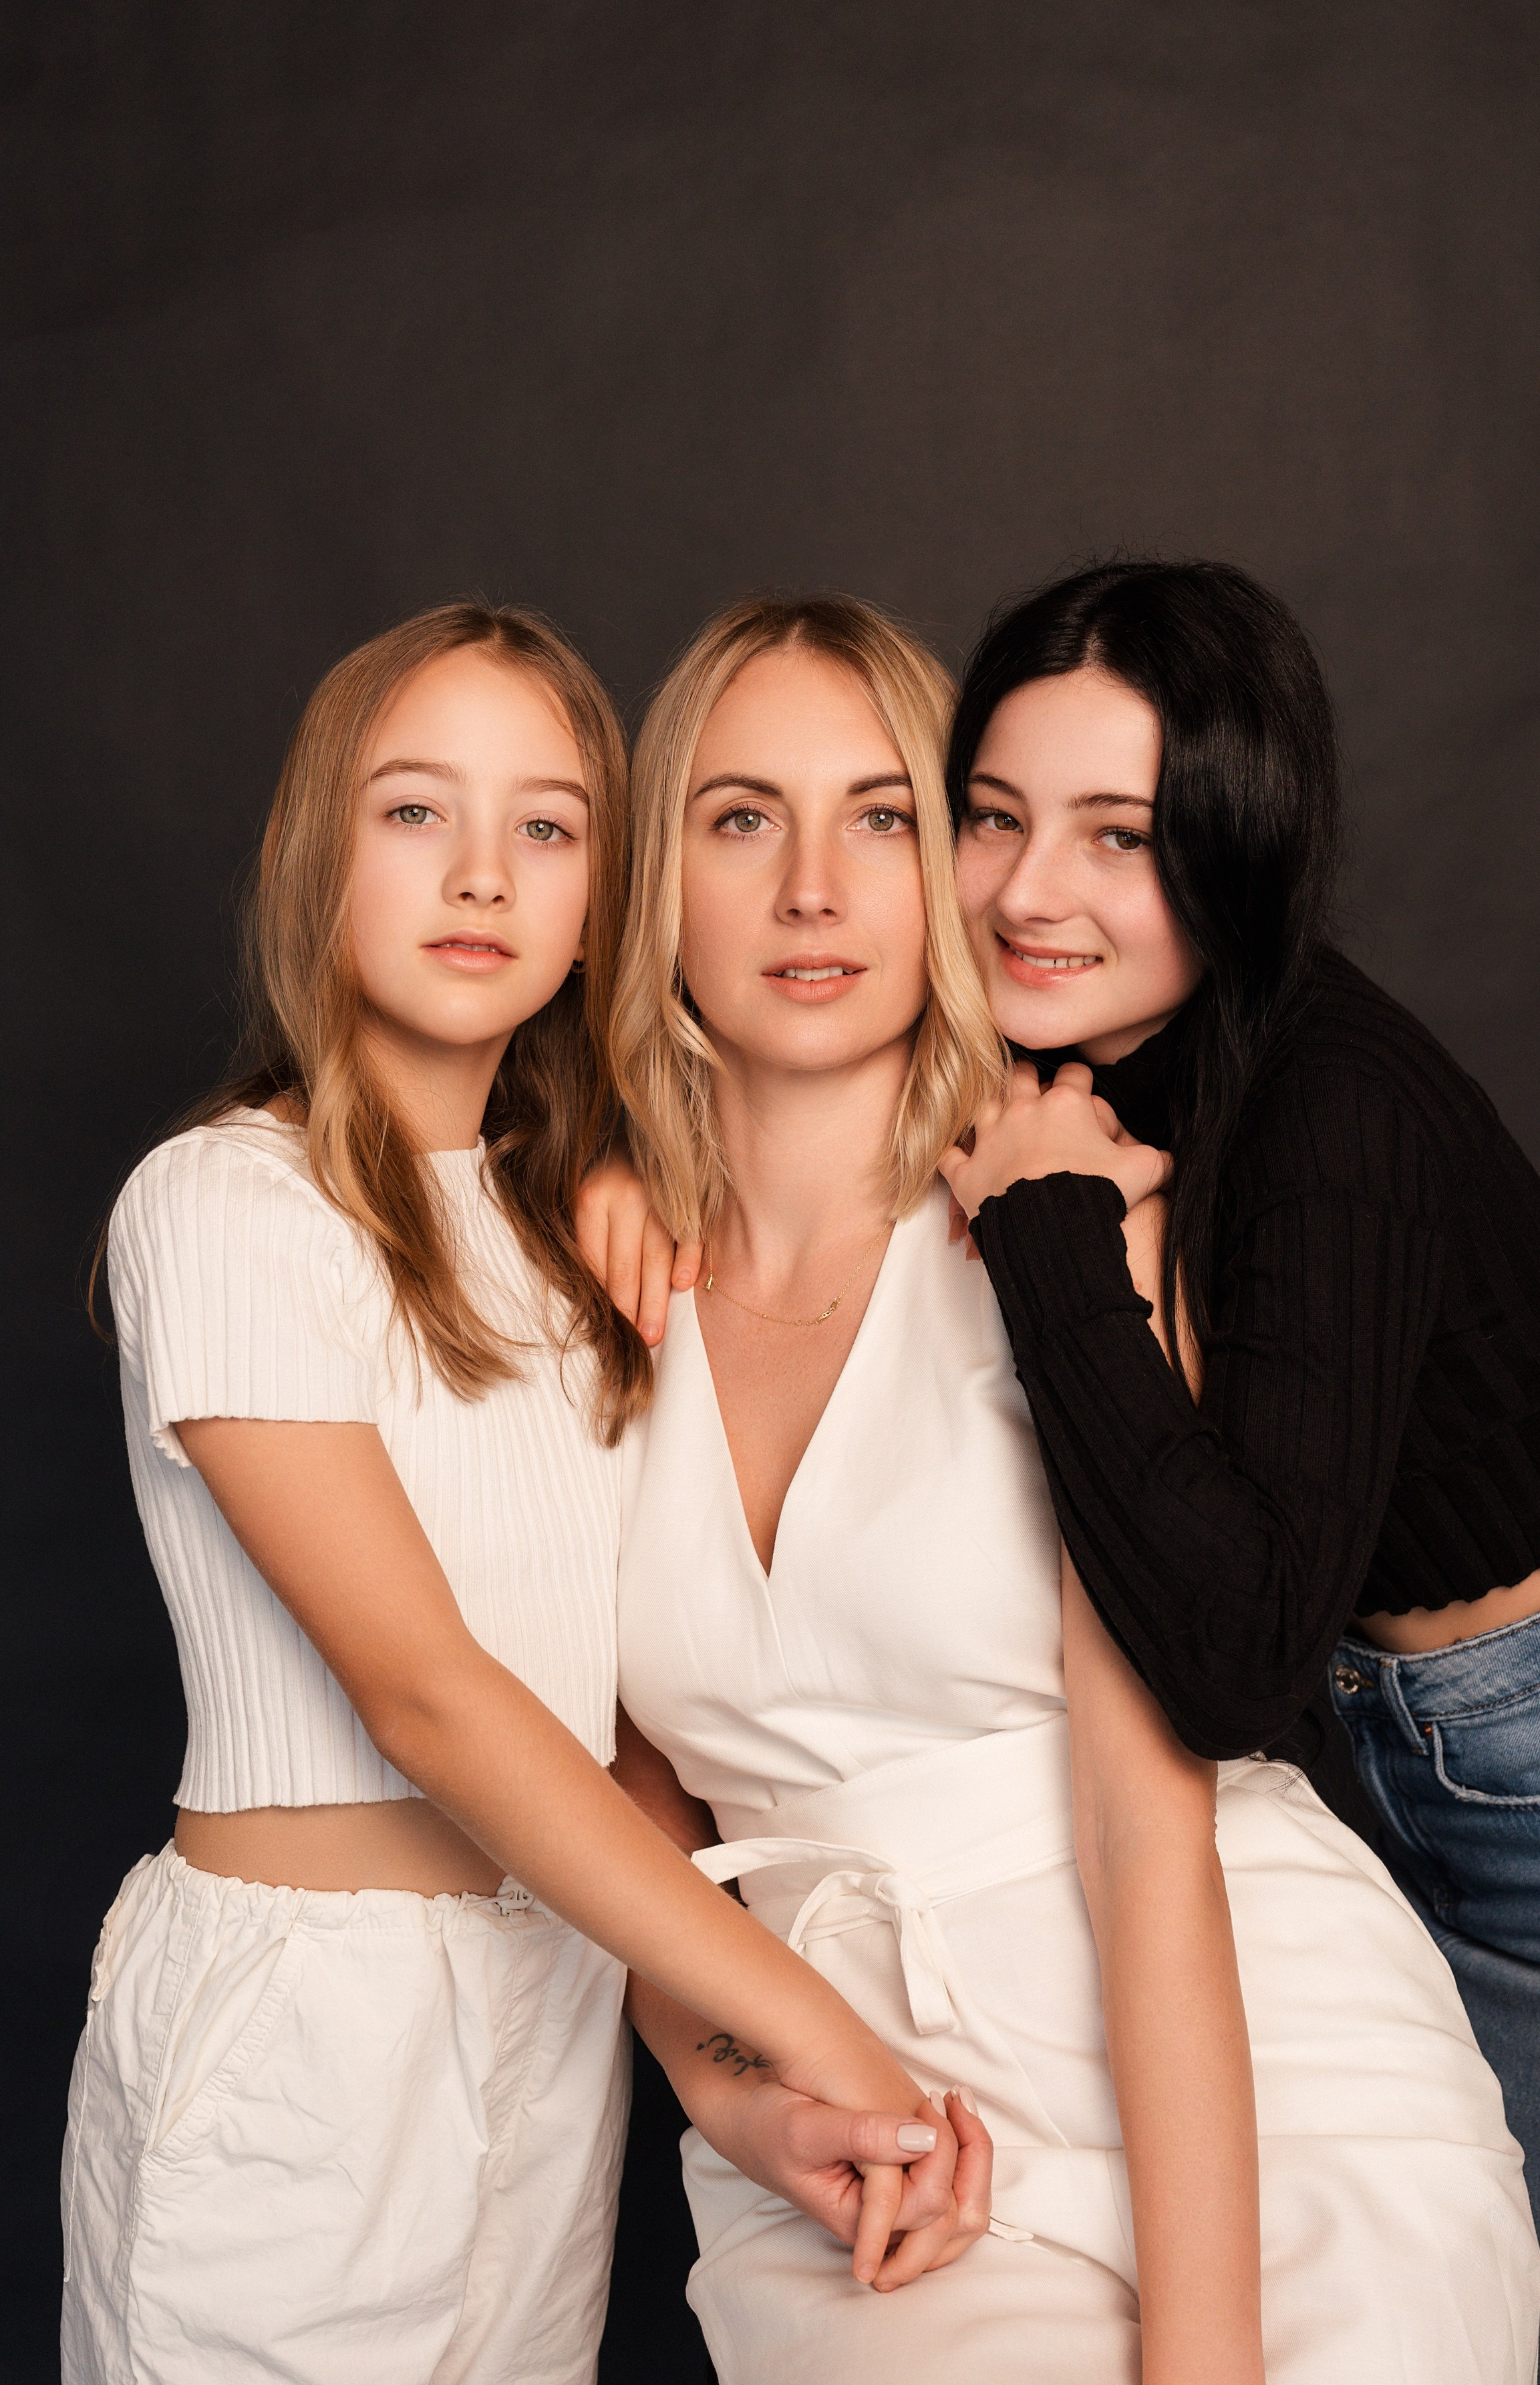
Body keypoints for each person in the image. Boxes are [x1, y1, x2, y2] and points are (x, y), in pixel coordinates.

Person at [605, 590, 1540, 2383]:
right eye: (743, 817)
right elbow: (630, 1812)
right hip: (874, 2127)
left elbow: (1146, 1826)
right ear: (664, 879)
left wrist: (1209, 2358)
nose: (814, 886)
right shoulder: (575, 1283)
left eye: (882, 815)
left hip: (1260, 2088)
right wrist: (735, 2098)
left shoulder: (1082, 1217)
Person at [63, 602, 984, 2385]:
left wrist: (731, 2084)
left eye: (547, 826)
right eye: (416, 812)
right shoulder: (222, 1203)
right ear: (319, 851)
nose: (481, 872)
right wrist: (816, 2027)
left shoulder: (584, 1242)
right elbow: (432, 1694)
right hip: (300, 2036)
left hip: (550, 2019)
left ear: (594, 911)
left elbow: (619, 1730)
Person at [939, 557, 1540, 2385]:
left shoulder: (1326, 1108)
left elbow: (1232, 1656)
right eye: (990, 815)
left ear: (1237, 841)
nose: (1030, 891)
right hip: (1410, 1775)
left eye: (1118, 836)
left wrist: (1051, 1229)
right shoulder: (1097, 1048)